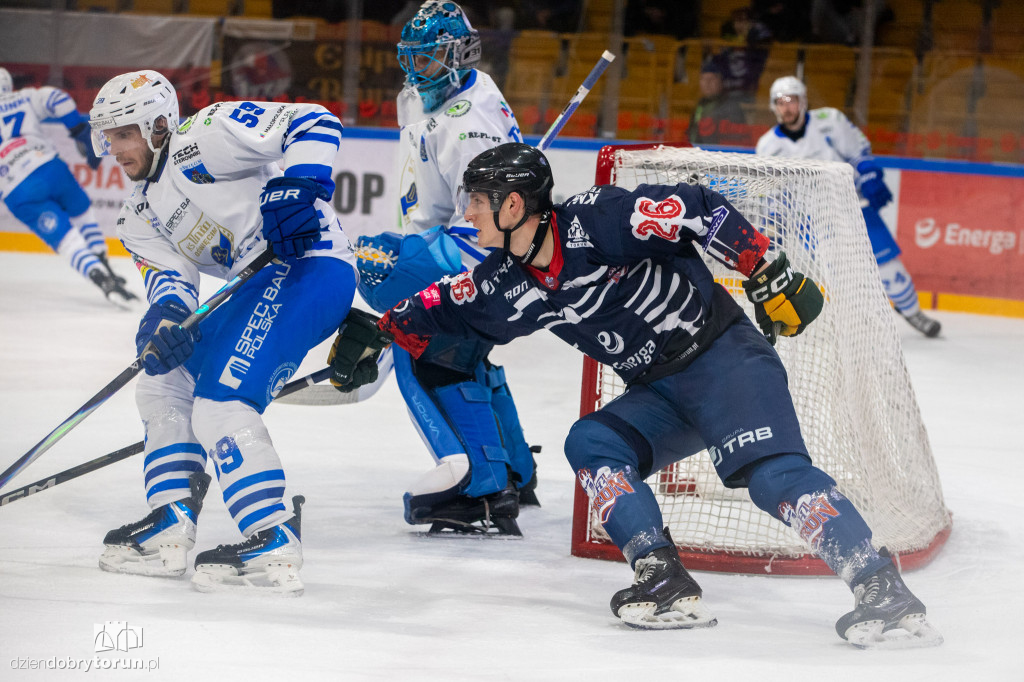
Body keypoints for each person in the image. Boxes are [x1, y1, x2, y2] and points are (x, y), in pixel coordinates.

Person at [328, 142, 942, 647]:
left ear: (514, 204)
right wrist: (376, 330)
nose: (470, 213)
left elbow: (697, 208)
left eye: (480, 202)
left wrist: (763, 266)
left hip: (725, 360)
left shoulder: (598, 219)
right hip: (663, 393)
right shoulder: (507, 280)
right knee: (592, 442)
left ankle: (881, 587)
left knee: (773, 477)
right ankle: (663, 578)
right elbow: (448, 305)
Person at [88, 70, 358, 595]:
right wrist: (162, 326)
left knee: (220, 402)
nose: (114, 149)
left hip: (311, 266)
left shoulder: (205, 136)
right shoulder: (138, 214)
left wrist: (298, 185)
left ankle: (271, 535)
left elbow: (315, 121)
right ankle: (170, 519)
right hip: (256, 284)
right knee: (163, 380)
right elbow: (171, 287)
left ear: (159, 124)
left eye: (123, 133)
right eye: (108, 136)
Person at [351, 0, 537, 537]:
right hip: (480, 254)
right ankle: (514, 472)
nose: (416, 71)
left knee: (413, 327)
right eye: (411, 59)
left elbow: (489, 225)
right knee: (460, 352)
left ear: (459, 55)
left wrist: (413, 288)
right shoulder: (442, 96)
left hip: (483, 257)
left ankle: (476, 487)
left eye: (429, 59)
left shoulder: (469, 121)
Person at [756, 76, 941, 337]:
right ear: (773, 107)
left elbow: (859, 153)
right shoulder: (767, 146)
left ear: (803, 101)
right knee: (842, 279)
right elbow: (772, 192)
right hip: (813, 220)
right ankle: (859, 328)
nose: (787, 108)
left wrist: (870, 175)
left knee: (889, 267)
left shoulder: (829, 121)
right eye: (780, 102)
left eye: (792, 101)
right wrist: (773, 222)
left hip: (855, 207)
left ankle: (912, 312)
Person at [0, 66, 136, 307]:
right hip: (48, 167)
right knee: (84, 215)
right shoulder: (23, 97)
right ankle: (104, 263)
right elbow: (57, 98)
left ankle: (101, 279)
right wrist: (78, 130)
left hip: (15, 188)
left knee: (67, 241)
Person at [688, 58, 748, 147]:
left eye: (712, 78)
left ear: (721, 82)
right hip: (696, 152)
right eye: (703, 78)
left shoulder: (731, 106)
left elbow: (737, 138)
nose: (707, 83)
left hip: (718, 154)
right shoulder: (701, 104)